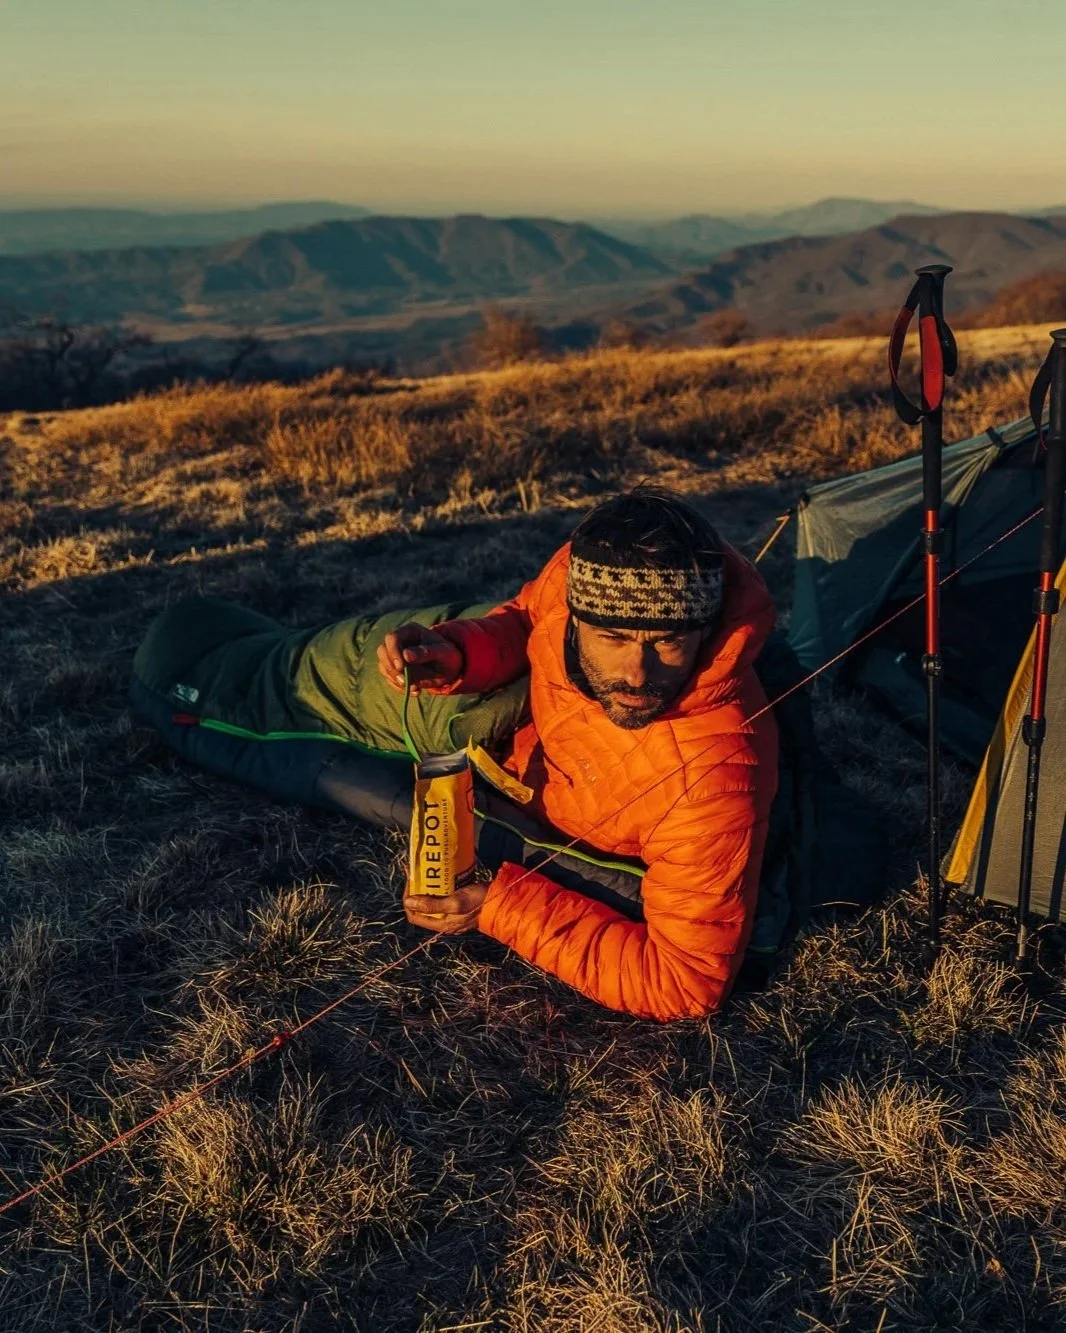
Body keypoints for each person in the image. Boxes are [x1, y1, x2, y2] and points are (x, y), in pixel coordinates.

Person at [378, 486, 779, 1020]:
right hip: (517, 757)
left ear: (705, 633)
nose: (638, 674)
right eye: (612, 636)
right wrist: (457, 653)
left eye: (669, 642)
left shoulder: (714, 777)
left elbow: (684, 985)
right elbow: (529, 620)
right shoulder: (575, 577)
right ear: (576, 620)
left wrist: (500, 908)